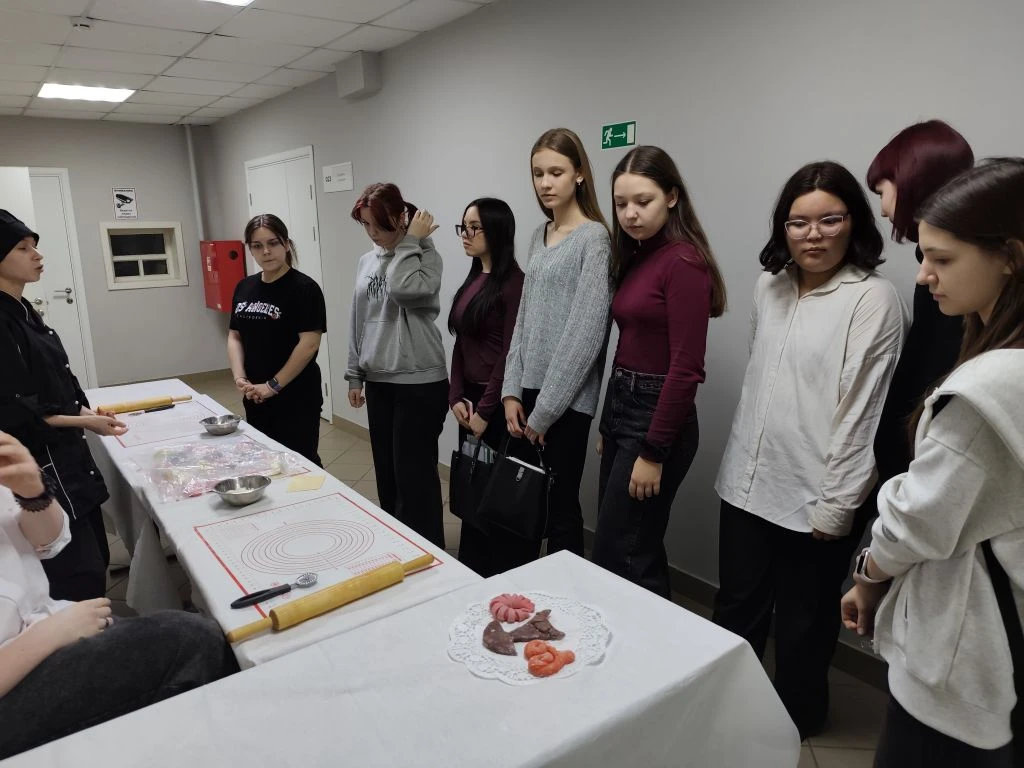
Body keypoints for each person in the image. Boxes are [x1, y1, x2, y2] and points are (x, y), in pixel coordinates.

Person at [712, 162, 908, 739]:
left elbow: (862, 412)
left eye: (829, 220)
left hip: (816, 493)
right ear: (783, 228)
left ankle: (796, 724)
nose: (813, 235)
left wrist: (837, 505)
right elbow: (760, 378)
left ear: (854, 224)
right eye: (798, 222)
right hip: (746, 480)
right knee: (736, 609)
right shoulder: (769, 286)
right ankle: (726, 713)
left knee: (803, 624)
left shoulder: (873, 299)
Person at [842, 158, 1024, 768]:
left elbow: (919, 519)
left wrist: (868, 572)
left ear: (1010, 256)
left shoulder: (987, 390)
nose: (923, 275)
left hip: (963, 667)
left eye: (942, 259)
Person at [0, 430, 239, 759]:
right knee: (192, 640)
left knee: (187, 636)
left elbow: (46, 541)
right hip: (21, 668)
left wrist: (33, 494)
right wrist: (50, 634)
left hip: (40, 627)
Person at [593, 146, 727, 598]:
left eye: (643, 201)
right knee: (624, 547)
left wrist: (653, 452)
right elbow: (629, 344)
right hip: (624, 409)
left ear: (671, 197)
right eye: (621, 203)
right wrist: (609, 423)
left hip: (655, 422)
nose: (630, 213)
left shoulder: (683, 261)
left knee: (626, 554)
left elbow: (685, 370)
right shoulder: (637, 255)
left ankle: (648, 640)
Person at [500, 127, 612, 569]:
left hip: (566, 402)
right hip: (527, 394)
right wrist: (511, 390)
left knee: (560, 508)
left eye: (556, 172)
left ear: (579, 174)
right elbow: (524, 319)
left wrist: (545, 411)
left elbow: (586, 335)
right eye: (538, 173)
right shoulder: (539, 234)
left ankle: (567, 597)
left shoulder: (595, 239)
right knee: (523, 505)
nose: (545, 183)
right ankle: (524, 594)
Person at [0, 210, 122, 602]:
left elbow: (55, 388)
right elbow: (20, 412)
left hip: (70, 458)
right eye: (22, 248)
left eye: (34, 246)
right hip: (44, 467)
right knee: (74, 571)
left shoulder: (24, 310)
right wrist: (85, 423)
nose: (37, 255)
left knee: (95, 554)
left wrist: (87, 415)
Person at [867, 120, 974, 485]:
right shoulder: (934, 267)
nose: (883, 209)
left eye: (882, 191)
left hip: (927, 472)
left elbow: (935, 370)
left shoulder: (961, 281)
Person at [345, 183, 448, 549]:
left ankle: (429, 552)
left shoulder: (426, 256)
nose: (372, 233)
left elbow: (404, 291)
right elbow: (358, 317)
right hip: (379, 380)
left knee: (414, 478)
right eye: (366, 225)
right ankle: (399, 547)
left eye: (379, 224)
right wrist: (355, 374)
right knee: (387, 475)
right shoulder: (366, 261)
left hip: (420, 382)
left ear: (401, 218)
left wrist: (411, 242)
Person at [448, 198, 524, 576]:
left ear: (497, 230)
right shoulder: (474, 277)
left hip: (496, 403)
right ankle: (472, 573)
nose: (466, 234)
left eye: (474, 227)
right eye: (463, 226)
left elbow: (510, 354)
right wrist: (454, 396)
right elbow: (461, 342)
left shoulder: (514, 284)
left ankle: (499, 579)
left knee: (496, 500)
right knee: (473, 491)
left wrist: (486, 411)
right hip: (470, 401)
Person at [228, 214, 327, 466]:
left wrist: (272, 386)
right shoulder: (244, 287)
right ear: (250, 249)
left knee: (300, 464)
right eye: (257, 246)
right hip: (255, 395)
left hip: (295, 396)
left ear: (287, 244)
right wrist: (240, 378)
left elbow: (309, 344)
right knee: (265, 462)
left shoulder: (304, 289)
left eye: (273, 243)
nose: (266, 251)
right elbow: (235, 335)